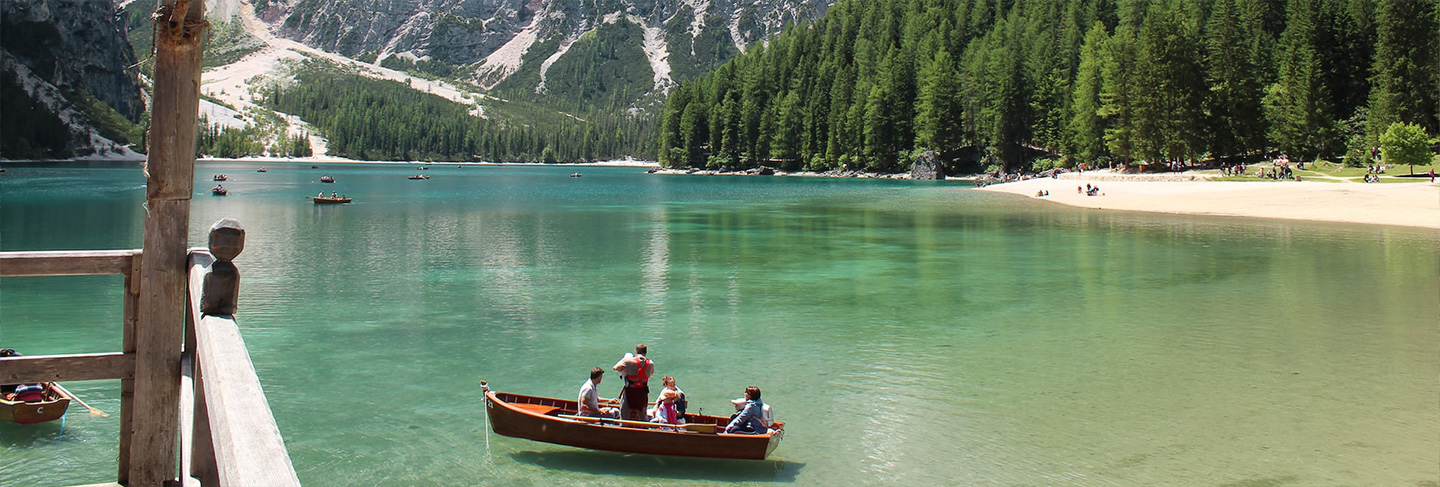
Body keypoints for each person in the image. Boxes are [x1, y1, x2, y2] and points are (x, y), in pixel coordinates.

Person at [612, 344, 654, 420]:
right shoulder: (650, 364)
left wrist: (625, 360)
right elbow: (651, 374)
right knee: (642, 414)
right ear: (646, 352)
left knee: (624, 414)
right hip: (642, 392)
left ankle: (623, 426)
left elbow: (616, 368)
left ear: (636, 352)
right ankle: (643, 427)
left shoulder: (629, 361)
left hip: (630, 391)